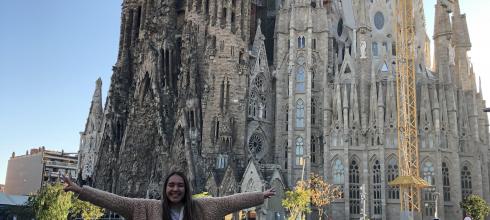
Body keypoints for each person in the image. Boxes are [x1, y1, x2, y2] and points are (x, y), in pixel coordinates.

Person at [63, 171, 275, 220]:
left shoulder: (200, 208)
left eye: (180, 186)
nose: (175, 189)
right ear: (165, 189)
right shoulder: (148, 208)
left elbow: (230, 201)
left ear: (186, 189)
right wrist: (82, 191)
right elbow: (116, 202)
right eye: (171, 185)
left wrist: (260, 195)